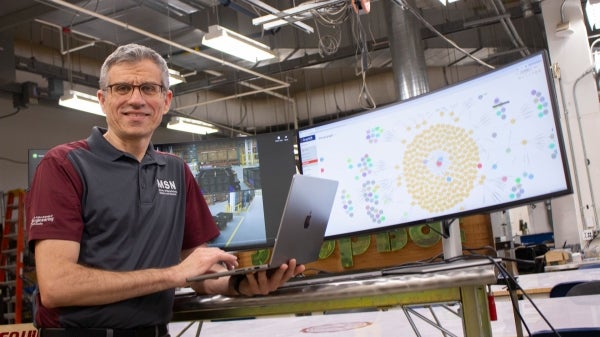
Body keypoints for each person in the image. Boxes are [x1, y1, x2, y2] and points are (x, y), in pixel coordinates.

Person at [26, 43, 304, 337]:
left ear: (166, 100)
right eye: (122, 88)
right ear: (102, 99)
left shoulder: (176, 171)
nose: (136, 99)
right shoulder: (63, 165)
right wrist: (174, 274)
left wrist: (240, 283)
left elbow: (198, 272)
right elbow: (58, 286)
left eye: (148, 88)